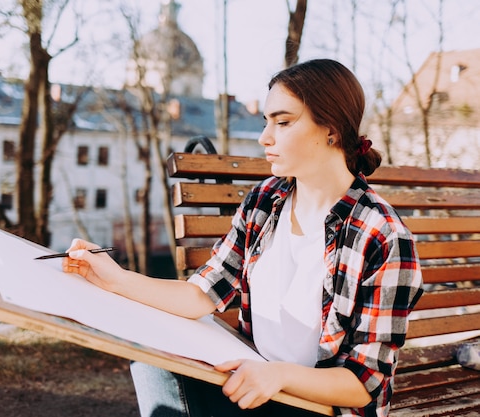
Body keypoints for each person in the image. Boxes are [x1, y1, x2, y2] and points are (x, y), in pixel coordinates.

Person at [62, 59, 423, 417]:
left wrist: (278, 376)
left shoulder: (382, 235)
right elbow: (201, 293)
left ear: (330, 129)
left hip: (316, 403)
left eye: (283, 122)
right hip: (253, 376)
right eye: (266, 122)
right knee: (153, 362)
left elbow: (363, 384)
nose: (265, 137)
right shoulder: (265, 201)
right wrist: (116, 278)